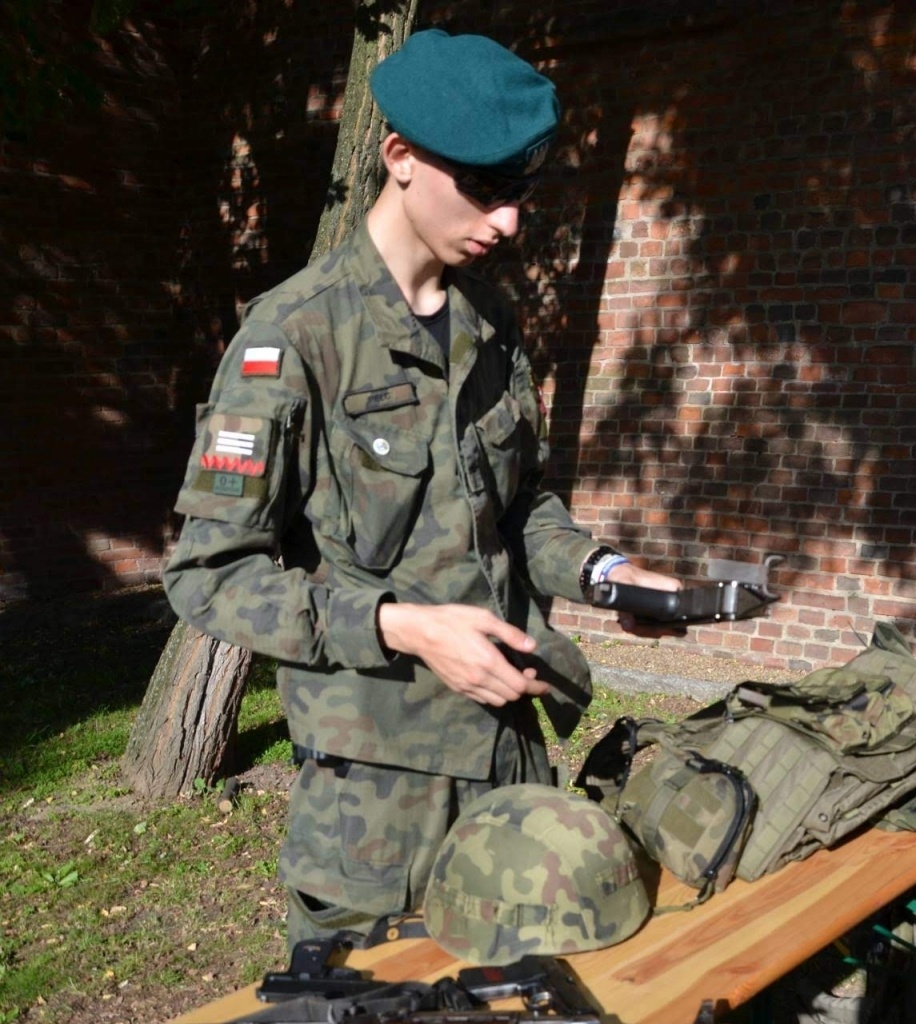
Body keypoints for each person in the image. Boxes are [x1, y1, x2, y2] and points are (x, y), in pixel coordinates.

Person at [162, 29, 681, 949]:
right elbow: (208, 575)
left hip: (513, 771)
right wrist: (403, 625)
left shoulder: (493, 322)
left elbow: (517, 507)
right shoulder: (296, 335)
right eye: (484, 190)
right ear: (399, 157)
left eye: (519, 193)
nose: (509, 223)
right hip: (376, 809)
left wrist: (606, 572)